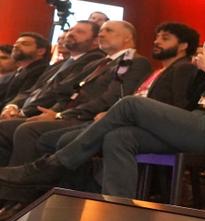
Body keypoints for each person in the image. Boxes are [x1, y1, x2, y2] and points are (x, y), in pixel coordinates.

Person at [0, 6, 205, 202]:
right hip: (197, 121)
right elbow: (195, 97)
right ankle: (116, 207)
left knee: (130, 105)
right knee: (119, 137)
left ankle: (52, 164)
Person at [3, 20, 151, 166]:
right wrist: (52, 112)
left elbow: (111, 98)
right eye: (100, 31)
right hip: (68, 114)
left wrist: (61, 115)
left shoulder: (130, 60)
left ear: (127, 37)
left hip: (88, 119)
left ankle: (21, 180)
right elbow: (68, 91)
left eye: (109, 30)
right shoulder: (98, 63)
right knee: (5, 127)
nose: (101, 34)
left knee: (28, 131)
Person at [0, 33, 51, 106]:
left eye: (25, 44)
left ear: (40, 51)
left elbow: (21, 99)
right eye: (16, 43)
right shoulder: (19, 71)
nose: (16, 46)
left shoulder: (42, 71)